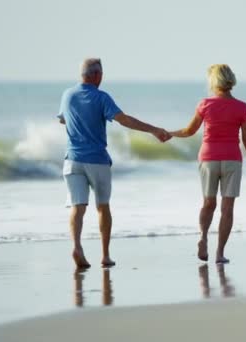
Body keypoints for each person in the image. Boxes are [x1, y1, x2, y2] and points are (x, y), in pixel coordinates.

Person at [58, 58, 171, 268]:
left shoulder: (67, 95)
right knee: (103, 207)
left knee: (77, 207)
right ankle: (105, 255)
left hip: (72, 160)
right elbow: (124, 120)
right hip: (97, 161)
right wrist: (154, 130)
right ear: (97, 75)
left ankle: (76, 246)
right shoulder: (101, 97)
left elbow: (63, 119)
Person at [170, 64, 246, 264]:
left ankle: (202, 238)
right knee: (227, 208)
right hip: (232, 160)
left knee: (208, 203)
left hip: (208, 159)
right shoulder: (241, 107)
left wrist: (170, 134)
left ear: (213, 81)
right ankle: (219, 253)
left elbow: (189, 131)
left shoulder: (205, 104)